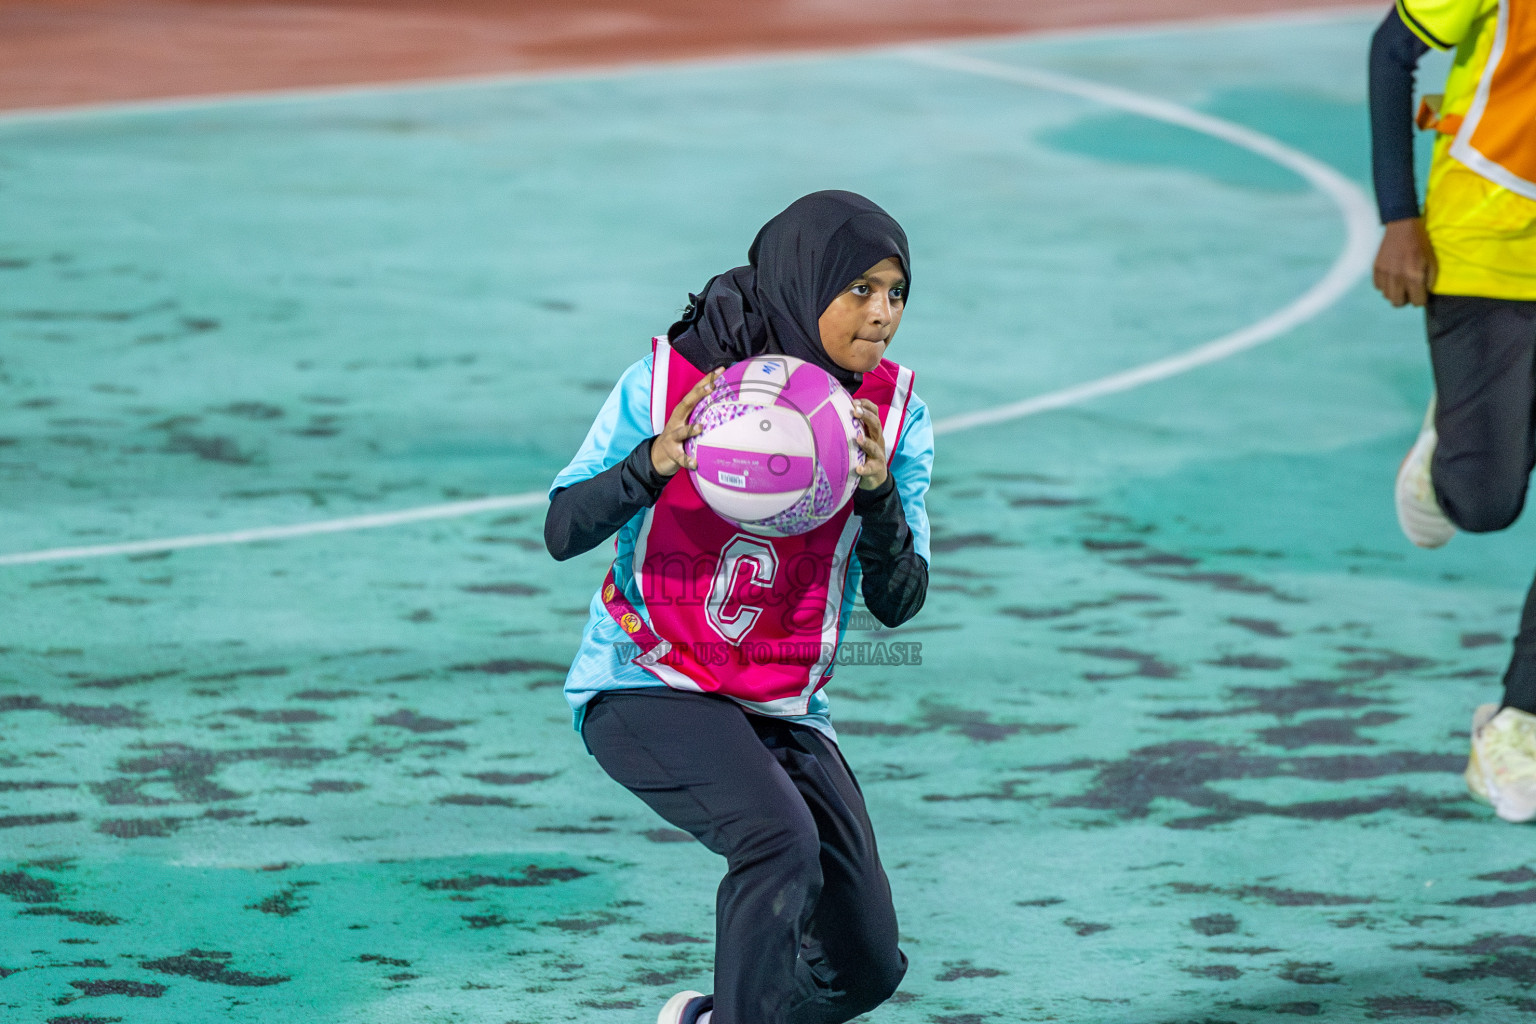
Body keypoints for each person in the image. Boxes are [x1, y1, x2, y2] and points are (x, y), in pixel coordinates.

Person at [544, 190, 933, 1024]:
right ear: (804, 283)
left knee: (864, 968)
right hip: (645, 680)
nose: (882, 315)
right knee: (776, 843)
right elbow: (561, 526)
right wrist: (654, 461)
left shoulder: (893, 421)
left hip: (783, 704)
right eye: (859, 289)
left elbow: (900, 604)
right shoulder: (674, 382)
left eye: (896, 292)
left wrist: (877, 499)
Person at [1369, 0, 1536, 821]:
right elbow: (1392, 49)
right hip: (1482, 247)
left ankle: (1520, 719)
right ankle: (1455, 446)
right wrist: (1400, 216)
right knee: (1486, 501)